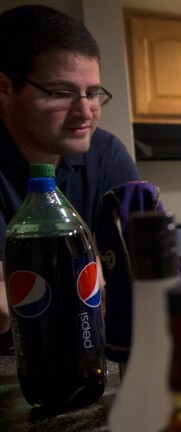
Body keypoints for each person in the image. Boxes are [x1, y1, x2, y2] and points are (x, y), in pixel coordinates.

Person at [0, 4, 139, 334]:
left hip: (89, 352)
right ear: (4, 89)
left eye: (92, 93)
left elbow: (144, 269)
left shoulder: (106, 153)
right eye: (62, 93)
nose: (85, 112)